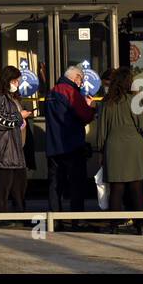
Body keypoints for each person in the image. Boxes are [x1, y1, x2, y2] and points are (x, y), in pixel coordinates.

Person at [98, 66, 143, 234]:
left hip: (113, 148)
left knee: (116, 189)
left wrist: (101, 150)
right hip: (134, 147)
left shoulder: (107, 102)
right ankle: (140, 225)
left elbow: (102, 131)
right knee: (136, 188)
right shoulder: (134, 100)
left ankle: (114, 226)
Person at [46, 64, 97, 216]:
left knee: (55, 185)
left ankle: (55, 219)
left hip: (53, 147)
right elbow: (85, 116)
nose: (80, 85)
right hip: (72, 146)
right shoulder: (72, 93)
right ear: (76, 78)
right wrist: (91, 107)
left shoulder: (51, 92)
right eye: (80, 82)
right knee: (76, 185)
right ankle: (77, 219)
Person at [0, 66, 33, 215]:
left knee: (19, 188)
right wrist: (20, 116)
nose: (17, 84)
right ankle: (0, 219)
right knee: (2, 189)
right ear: (7, 80)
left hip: (16, 151)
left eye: (18, 81)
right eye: (14, 81)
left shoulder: (12, 98)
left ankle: (19, 216)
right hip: (4, 152)